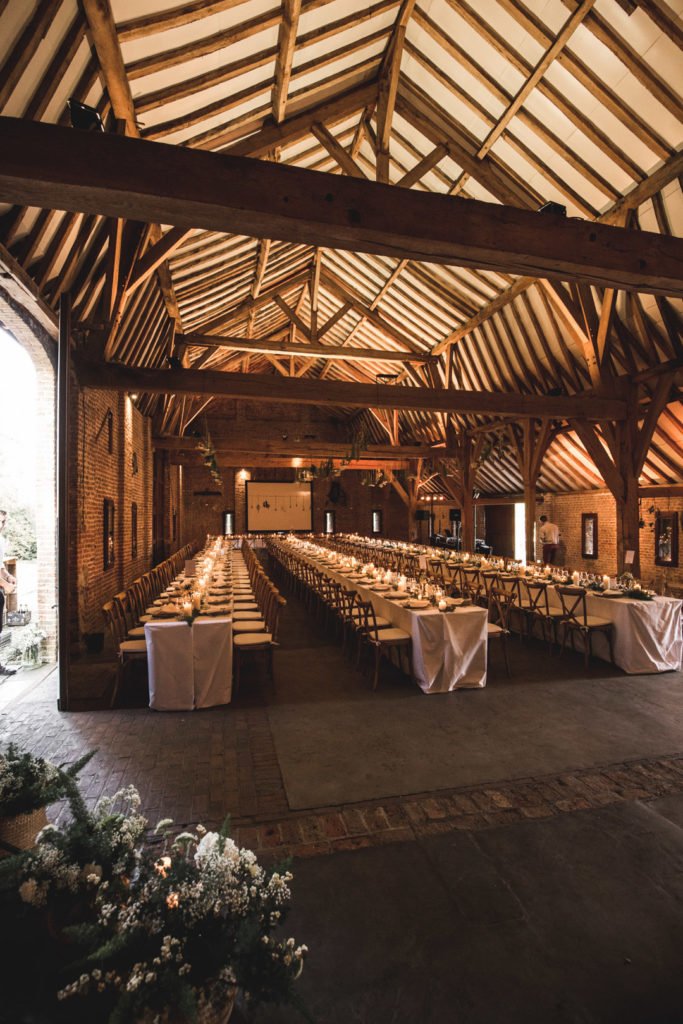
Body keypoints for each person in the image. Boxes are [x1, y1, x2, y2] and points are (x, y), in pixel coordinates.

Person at [0, 509, 17, 677]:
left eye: (3, 521)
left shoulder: (0, 540)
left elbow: (0, 566)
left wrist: (8, 576)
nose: (1, 524)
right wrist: (6, 586)